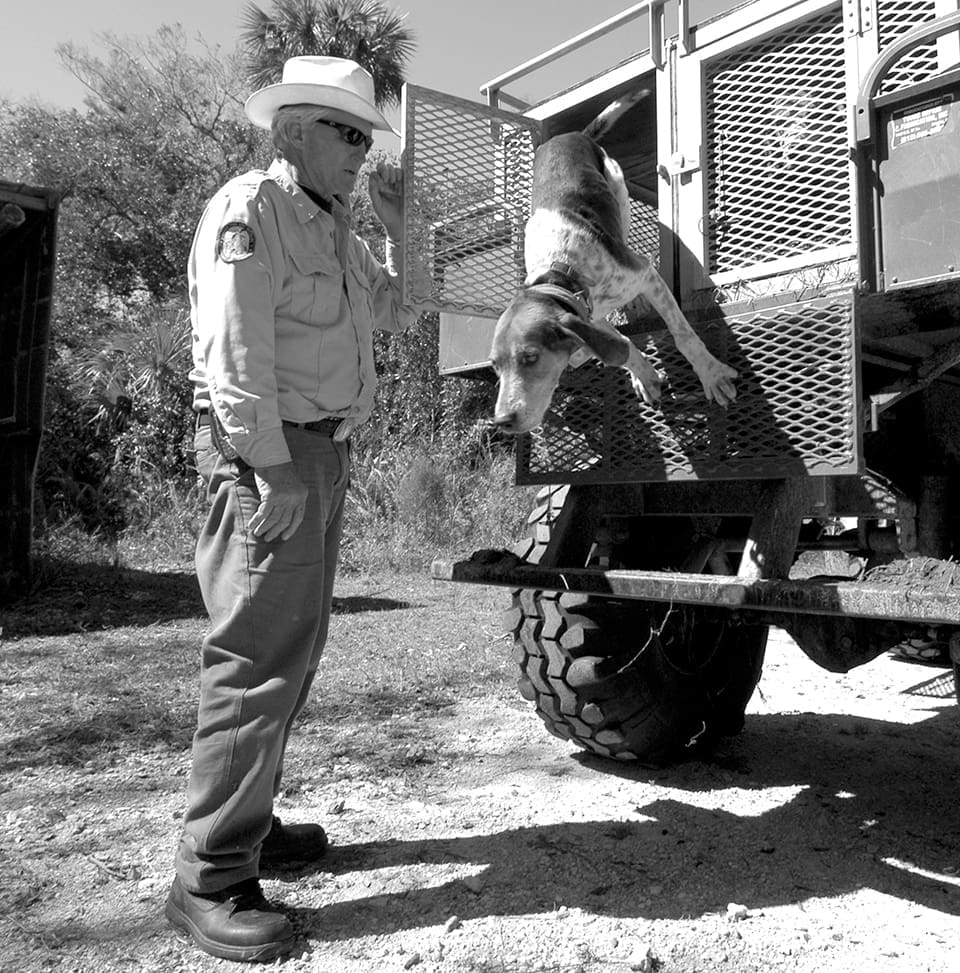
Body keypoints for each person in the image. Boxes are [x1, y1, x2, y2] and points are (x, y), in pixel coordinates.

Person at [165, 55, 422, 963]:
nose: (362, 151)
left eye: (367, 137)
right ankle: (209, 878)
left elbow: (396, 311)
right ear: (294, 131)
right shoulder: (251, 211)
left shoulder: (336, 227)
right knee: (255, 657)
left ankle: (250, 823)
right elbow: (233, 357)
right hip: (270, 456)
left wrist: (402, 227)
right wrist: (270, 469)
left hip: (320, 454)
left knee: (295, 650)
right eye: (347, 133)